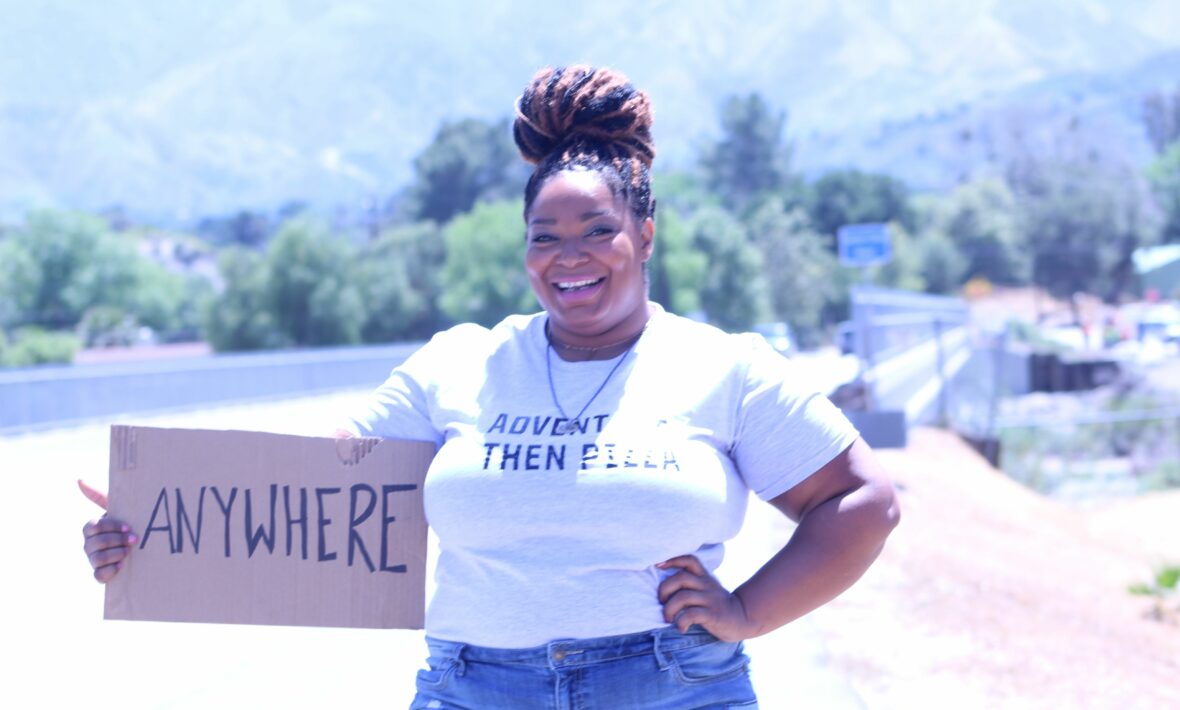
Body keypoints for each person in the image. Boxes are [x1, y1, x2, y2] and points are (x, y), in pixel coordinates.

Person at [82, 65, 900, 709]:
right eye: (545, 237)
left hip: (670, 686)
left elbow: (864, 501)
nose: (568, 256)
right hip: (472, 687)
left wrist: (748, 611)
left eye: (597, 232)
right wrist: (152, 524)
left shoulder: (724, 365)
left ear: (645, 235)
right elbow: (313, 492)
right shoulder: (461, 362)